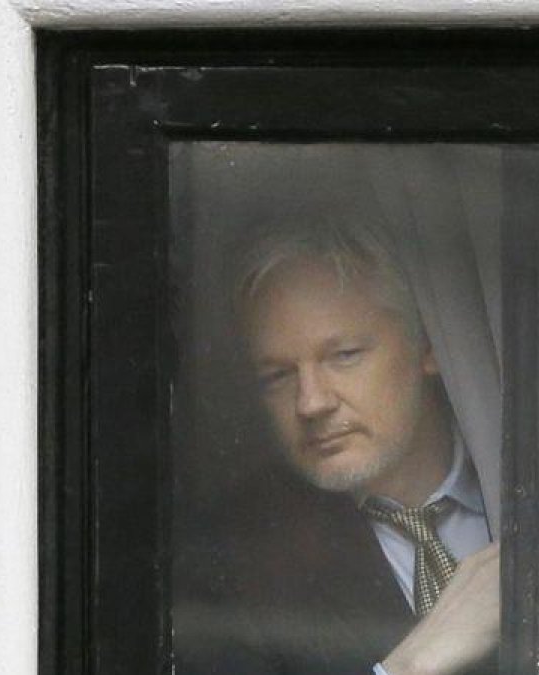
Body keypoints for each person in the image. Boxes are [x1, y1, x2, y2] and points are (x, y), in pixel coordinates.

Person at [174, 222, 500, 675]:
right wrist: (412, 666)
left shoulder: (537, 483)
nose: (311, 403)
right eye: (278, 376)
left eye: (343, 355)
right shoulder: (228, 568)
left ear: (428, 344)